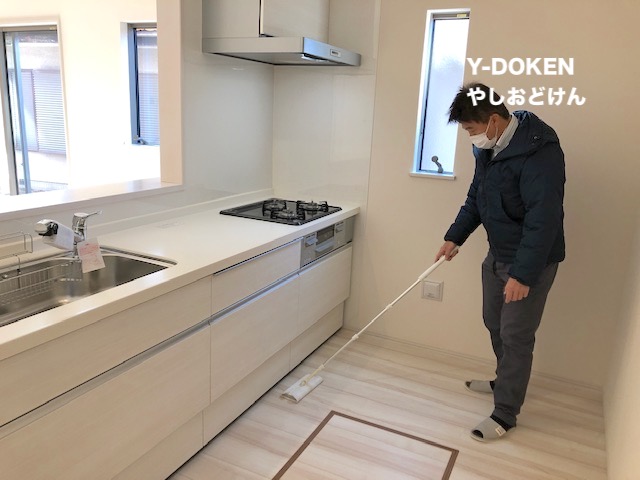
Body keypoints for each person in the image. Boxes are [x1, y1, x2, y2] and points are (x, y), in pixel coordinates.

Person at [436, 82, 565, 441]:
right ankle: (502, 380)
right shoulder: (488, 149)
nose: (470, 137)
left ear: (493, 120)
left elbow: (544, 219)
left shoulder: (540, 152)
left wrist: (523, 275)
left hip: (530, 261)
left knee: (516, 335)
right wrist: (454, 237)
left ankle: (505, 413)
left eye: (471, 129)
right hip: (498, 253)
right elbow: (476, 197)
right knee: (493, 321)